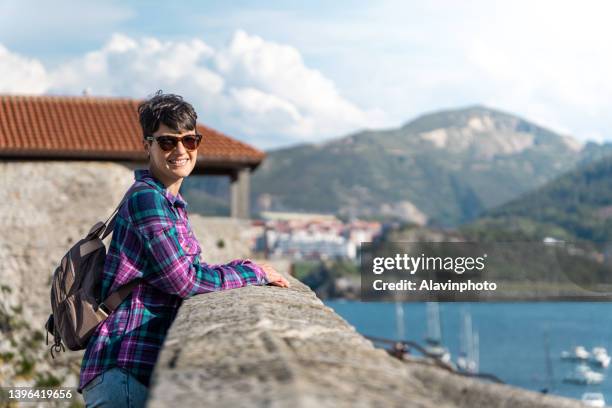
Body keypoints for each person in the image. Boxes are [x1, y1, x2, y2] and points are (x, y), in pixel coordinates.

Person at [78, 91, 289, 407]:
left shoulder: (168, 203)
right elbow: (185, 281)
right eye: (167, 142)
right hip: (123, 366)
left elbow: (187, 272)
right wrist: (253, 272)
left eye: (189, 141)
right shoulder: (147, 199)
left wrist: (240, 267)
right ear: (147, 145)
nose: (180, 150)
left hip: (133, 371)